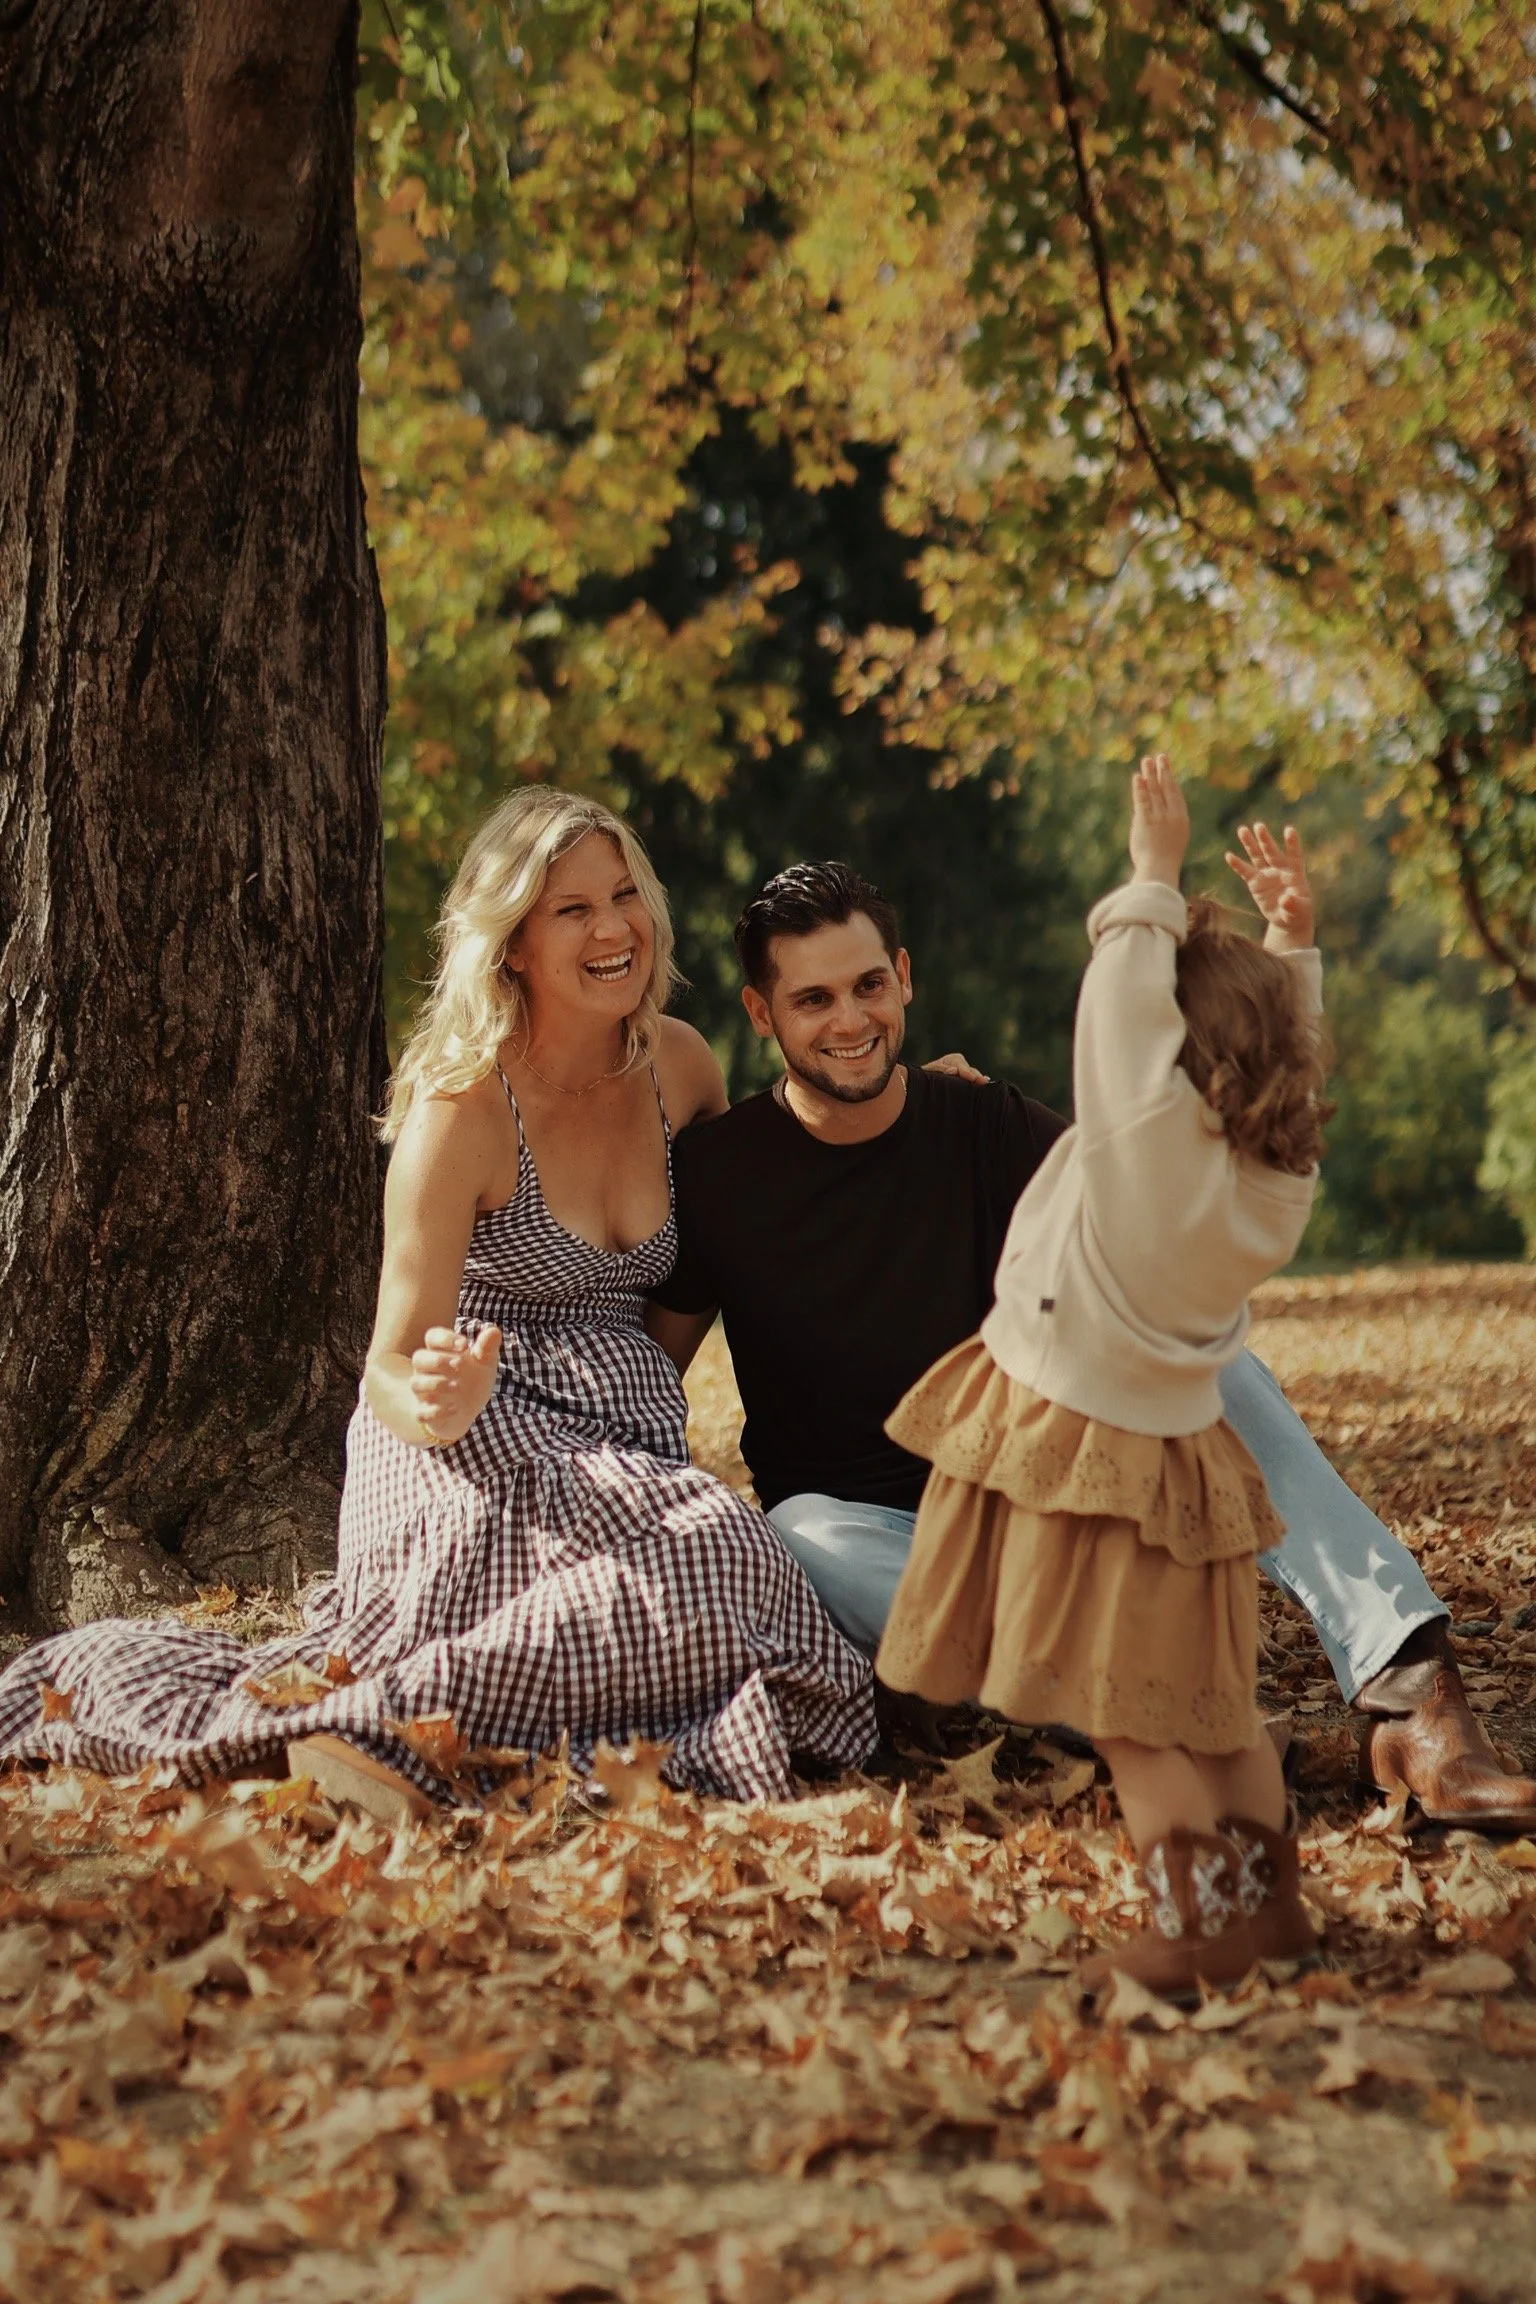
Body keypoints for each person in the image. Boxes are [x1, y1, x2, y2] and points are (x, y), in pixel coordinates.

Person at [0, 789, 876, 1810]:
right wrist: (438, 1402)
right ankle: (373, 1731)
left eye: (625, 896)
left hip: (618, 1454)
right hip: (468, 1440)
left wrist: (917, 1109)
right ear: (509, 945)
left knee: (717, 1561)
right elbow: (392, 1354)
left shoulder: (679, 1069)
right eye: (571, 910)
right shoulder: (462, 1110)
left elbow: (742, 1227)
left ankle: (405, 1730)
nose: (613, 928)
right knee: (717, 1557)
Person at [646, 848, 1536, 1837]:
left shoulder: (979, 1122)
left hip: (1052, 1495)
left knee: (1209, 1365)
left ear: (904, 976)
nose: (851, 1021)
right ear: (762, 1014)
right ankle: (1220, 1736)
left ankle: (1417, 1700)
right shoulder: (719, 1178)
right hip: (888, 1549)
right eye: (813, 1000)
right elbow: (652, 1374)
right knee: (797, 1535)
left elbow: (1164, 1193)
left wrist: (1288, 967)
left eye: (866, 986)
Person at [878, 756, 1321, 1992]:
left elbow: (1124, 1001)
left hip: (1098, 1454)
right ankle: (1267, 1907)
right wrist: (1290, 950)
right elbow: (1282, 1051)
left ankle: (1190, 1925)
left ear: (1176, 1063)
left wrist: (1153, 875)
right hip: (1187, 1455)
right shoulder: (1268, 1178)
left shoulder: (1141, 1142)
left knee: (1131, 1717)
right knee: (1213, 1710)